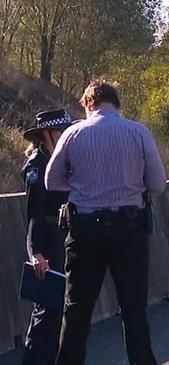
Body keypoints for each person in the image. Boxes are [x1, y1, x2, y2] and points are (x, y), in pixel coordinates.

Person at [45, 80, 166, 365]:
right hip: (129, 228)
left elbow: (51, 180)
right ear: (116, 103)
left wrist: (80, 186)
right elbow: (158, 183)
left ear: (89, 103)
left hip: (84, 229)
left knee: (76, 312)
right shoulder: (138, 132)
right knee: (134, 310)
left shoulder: (73, 133)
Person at [20, 109, 73, 365]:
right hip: (47, 245)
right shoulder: (36, 167)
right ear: (49, 135)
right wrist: (36, 253)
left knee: (60, 316)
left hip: (65, 242)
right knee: (45, 314)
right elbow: (34, 215)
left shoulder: (63, 163)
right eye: (62, 132)